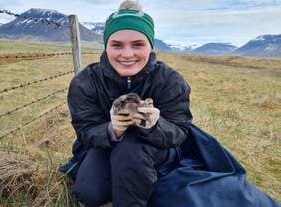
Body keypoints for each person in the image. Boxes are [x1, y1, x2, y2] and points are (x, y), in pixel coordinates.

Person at [59, 1, 280, 207]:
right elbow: (85, 131)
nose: (127, 54)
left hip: (156, 147)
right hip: (105, 146)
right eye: (117, 45)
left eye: (138, 44)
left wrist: (155, 124)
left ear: (150, 45)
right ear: (106, 46)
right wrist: (113, 128)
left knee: (130, 152)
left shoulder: (170, 80)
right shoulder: (86, 81)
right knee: (90, 193)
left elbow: (179, 131)